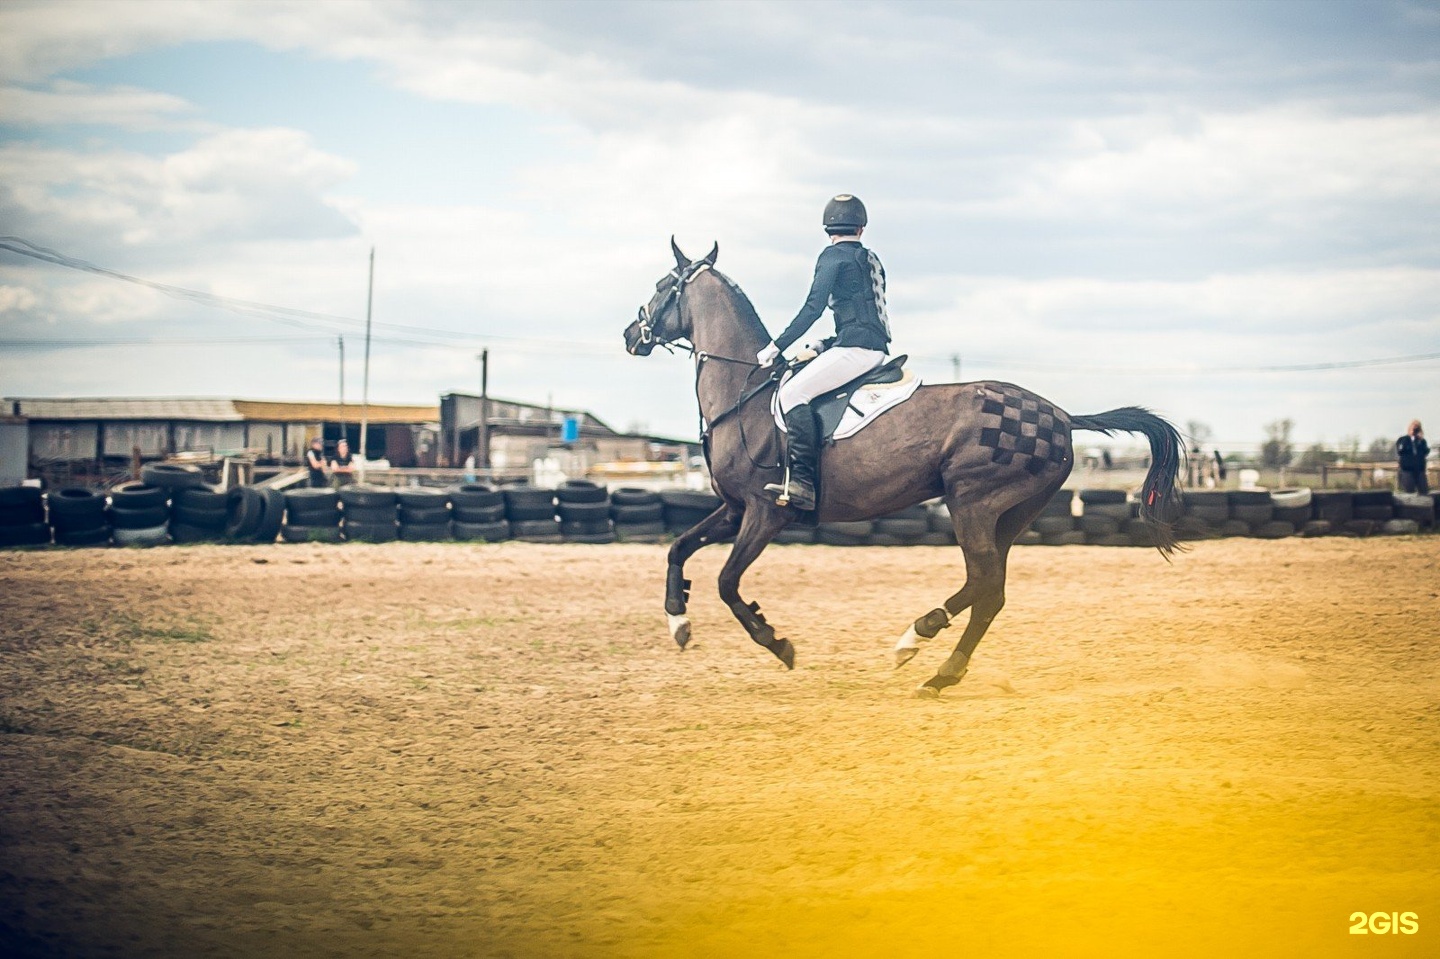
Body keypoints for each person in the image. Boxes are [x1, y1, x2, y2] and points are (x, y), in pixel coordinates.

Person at [756, 194, 890, 509]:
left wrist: (776, 347)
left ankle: (803, 482)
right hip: (872, 347)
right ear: (861, 226)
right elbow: (863, 317)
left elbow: (813, 308)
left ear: (827, 227)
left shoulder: (832, 257)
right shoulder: (871, 259)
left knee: (791, 394)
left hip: (857, 349)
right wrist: (824, 345)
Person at [1395, 420, 1429, 495]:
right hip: (1407, 469)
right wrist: (1410, 437)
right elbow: (1400, 450)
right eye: (1414, 428)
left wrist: (1420, 440)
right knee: (1409, 492)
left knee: (1424, 491)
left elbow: (1426, 452)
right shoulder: (1403, 439)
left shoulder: (1422, 441)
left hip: (1420, 469)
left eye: (1417, 428)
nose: (1415, 430)